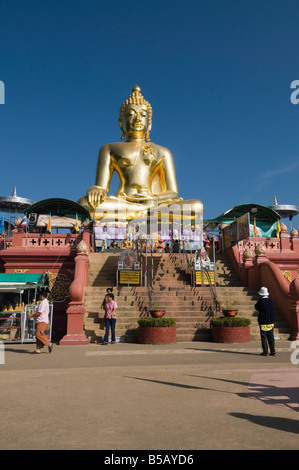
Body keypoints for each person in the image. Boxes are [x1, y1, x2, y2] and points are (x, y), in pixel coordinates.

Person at [78, 86, 203, 225]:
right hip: (124, 201)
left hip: (154, 202)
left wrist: (153, 200)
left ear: (149, 124)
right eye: (131, 114)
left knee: (197, 207)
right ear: (121, 123)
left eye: (143, 115)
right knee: (83, 203)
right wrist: (95, 189)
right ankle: (145, 212)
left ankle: (143, 211)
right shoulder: (108, 149)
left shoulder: (163, 152)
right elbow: (102, 187)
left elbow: (173, 192)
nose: (137, 119)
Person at [255, 287, 276, 356]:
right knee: (271, 336)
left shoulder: (260, 301)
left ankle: (265, 351)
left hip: (263, 321)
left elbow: (256, 307)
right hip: (271, 321)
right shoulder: (271, 300)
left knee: (264, 337)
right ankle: (273, 350)